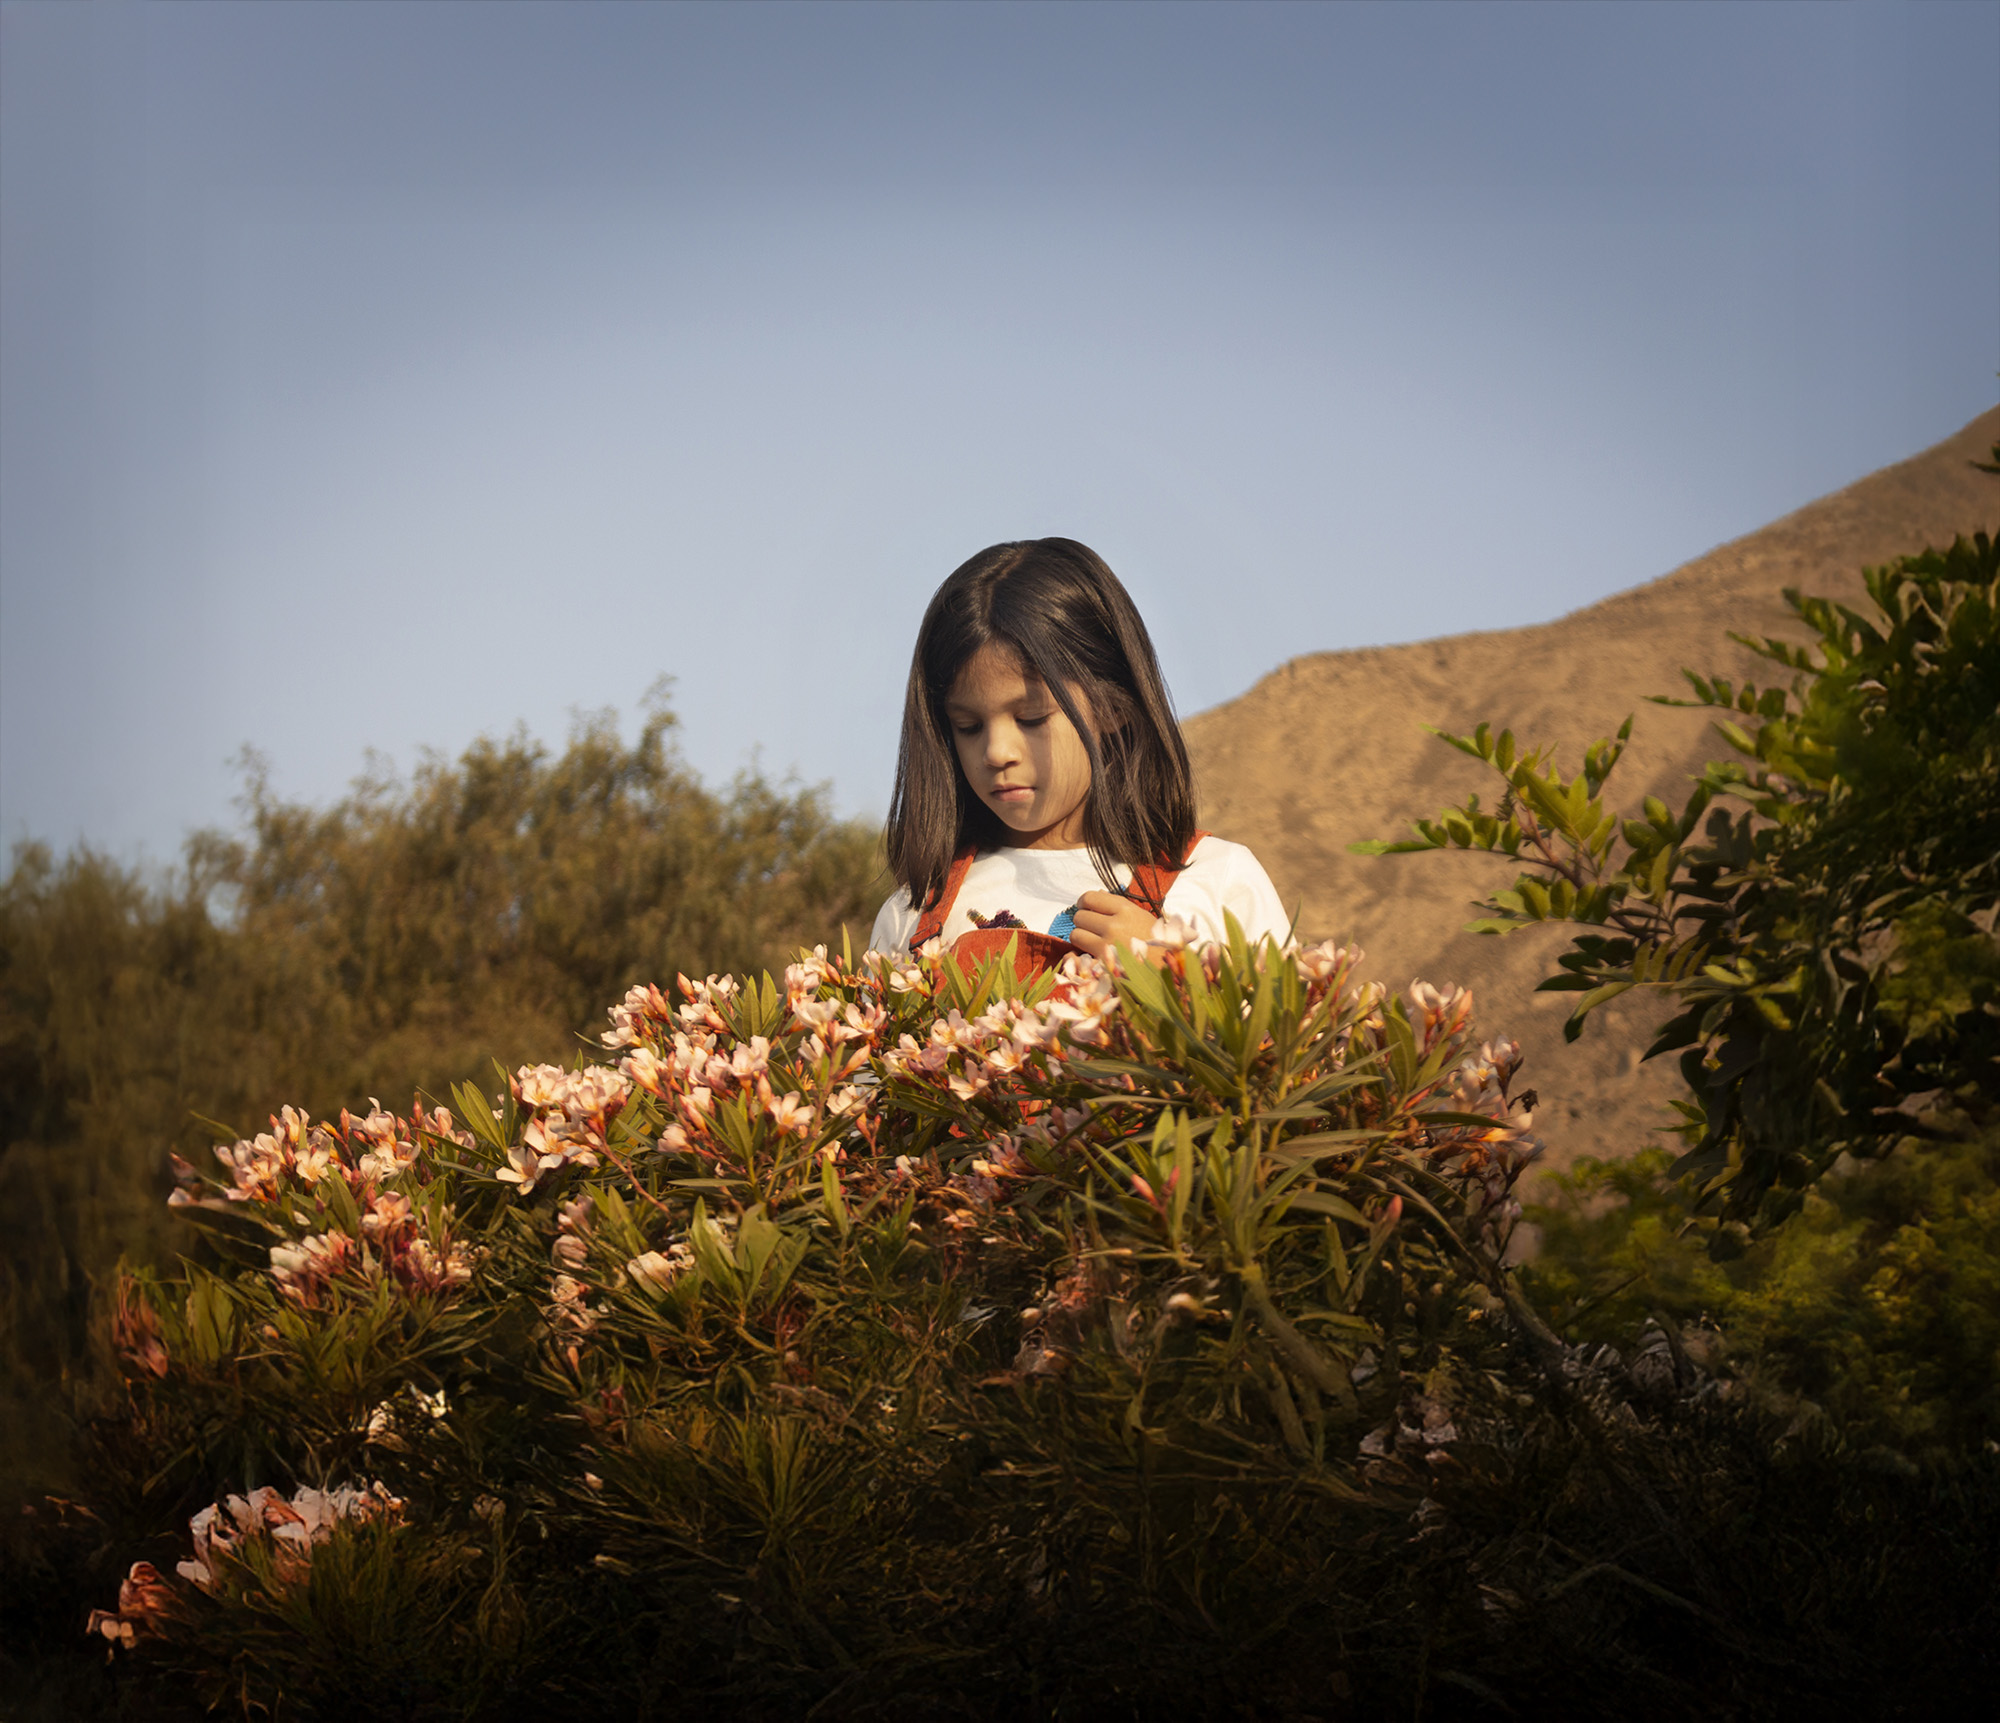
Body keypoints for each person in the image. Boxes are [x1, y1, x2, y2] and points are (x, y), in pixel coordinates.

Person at [870, 537, 1289, 969]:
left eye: (1031, 718)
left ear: (1112, 705)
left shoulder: (1218, 881)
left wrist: (1173, 974)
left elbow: (1286, 1035)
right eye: (968, 727)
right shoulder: (912, 915)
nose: (996, 752)